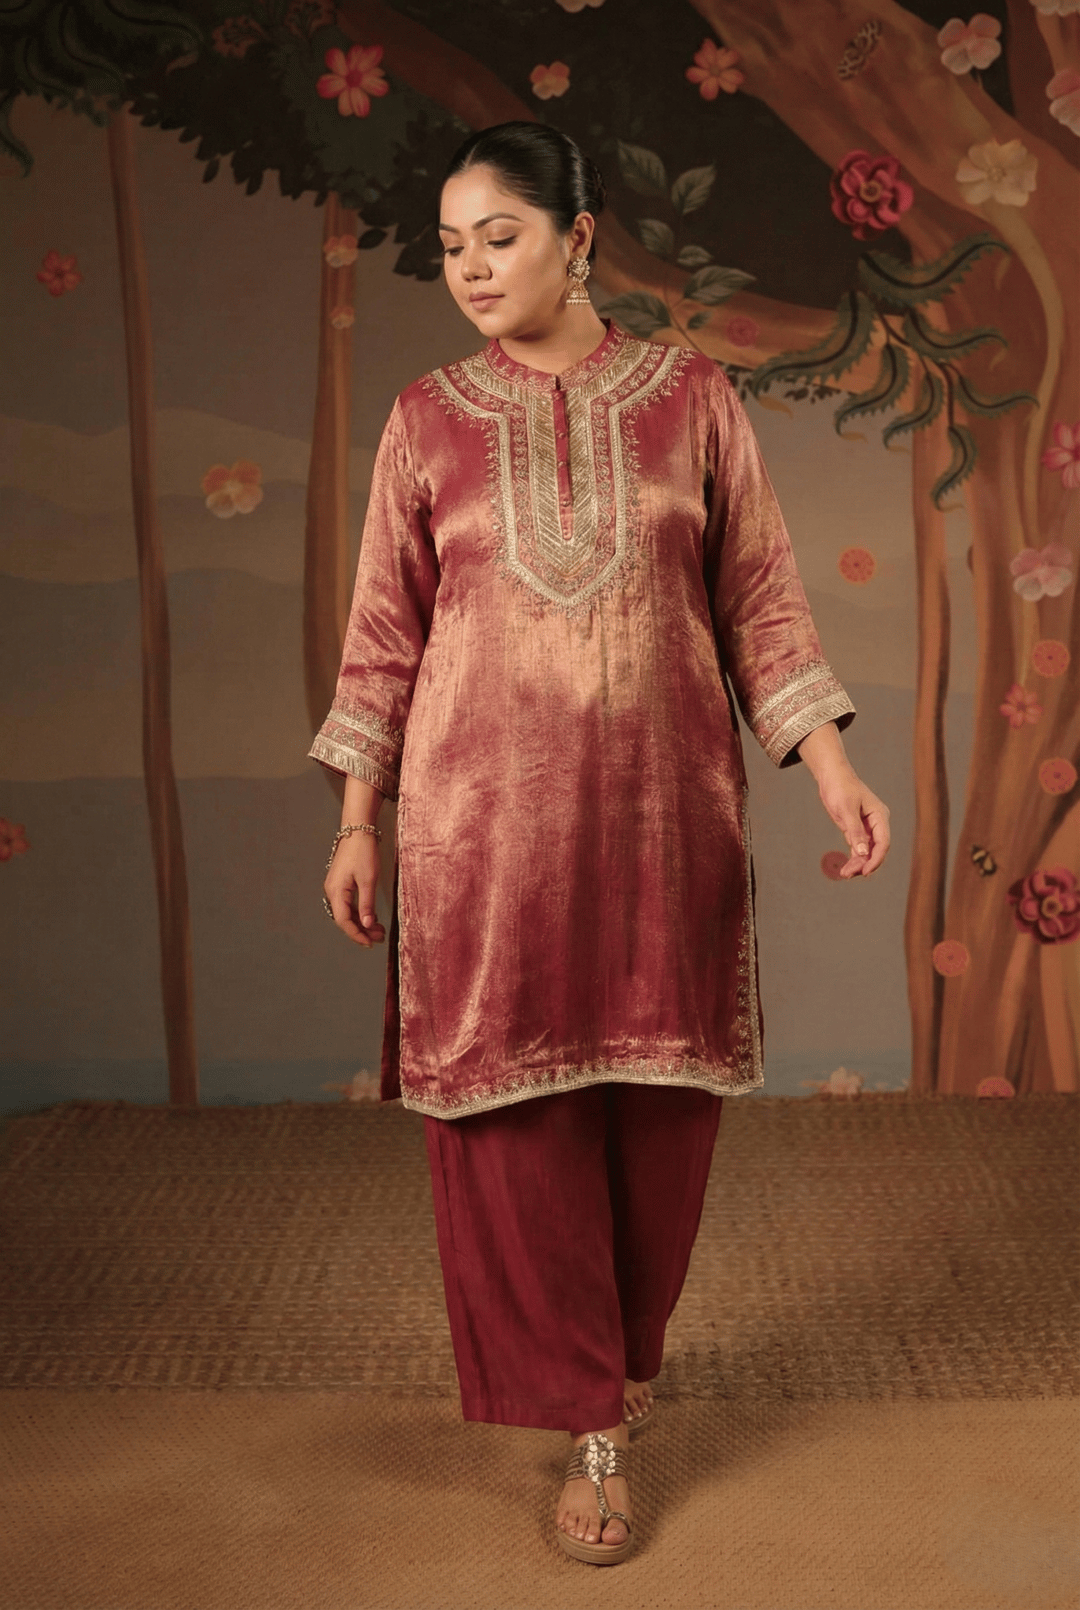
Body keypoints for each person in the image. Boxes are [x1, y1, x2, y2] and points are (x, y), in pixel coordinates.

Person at [311, 122, 890, 1566]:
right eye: (450, 247)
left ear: (579, 238)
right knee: (516, 1128)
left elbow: (759, 597)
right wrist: (356, 819)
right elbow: (383, 636)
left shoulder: (693, 399)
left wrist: (830, 766)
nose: (470, 270)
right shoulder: (425, 419)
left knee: (661, 1123)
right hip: (480, 839)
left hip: (661, 824)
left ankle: (618, 1364)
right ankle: (589, 1425)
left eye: (498, 237)